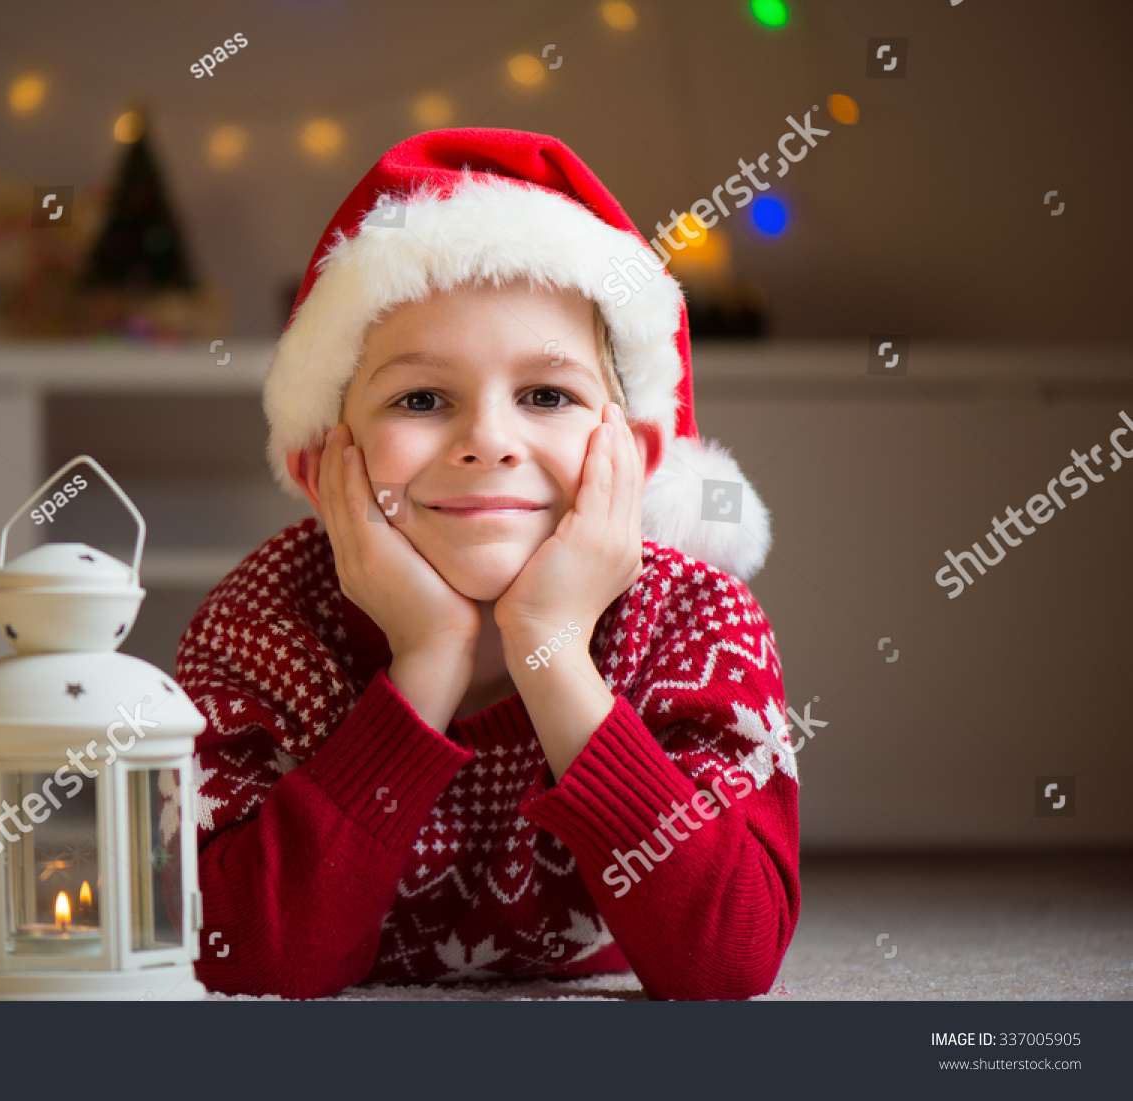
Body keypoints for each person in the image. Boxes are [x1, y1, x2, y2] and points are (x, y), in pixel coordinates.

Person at [174, 128, 798, 1000]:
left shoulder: (699, 624)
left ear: (641, 452)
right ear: (322, 464)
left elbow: (728, 962)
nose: (490, 442)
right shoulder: (261, 625)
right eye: (421, 399)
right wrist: (425, 660)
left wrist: (550, 649)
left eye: (548, 395)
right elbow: (245, 957)